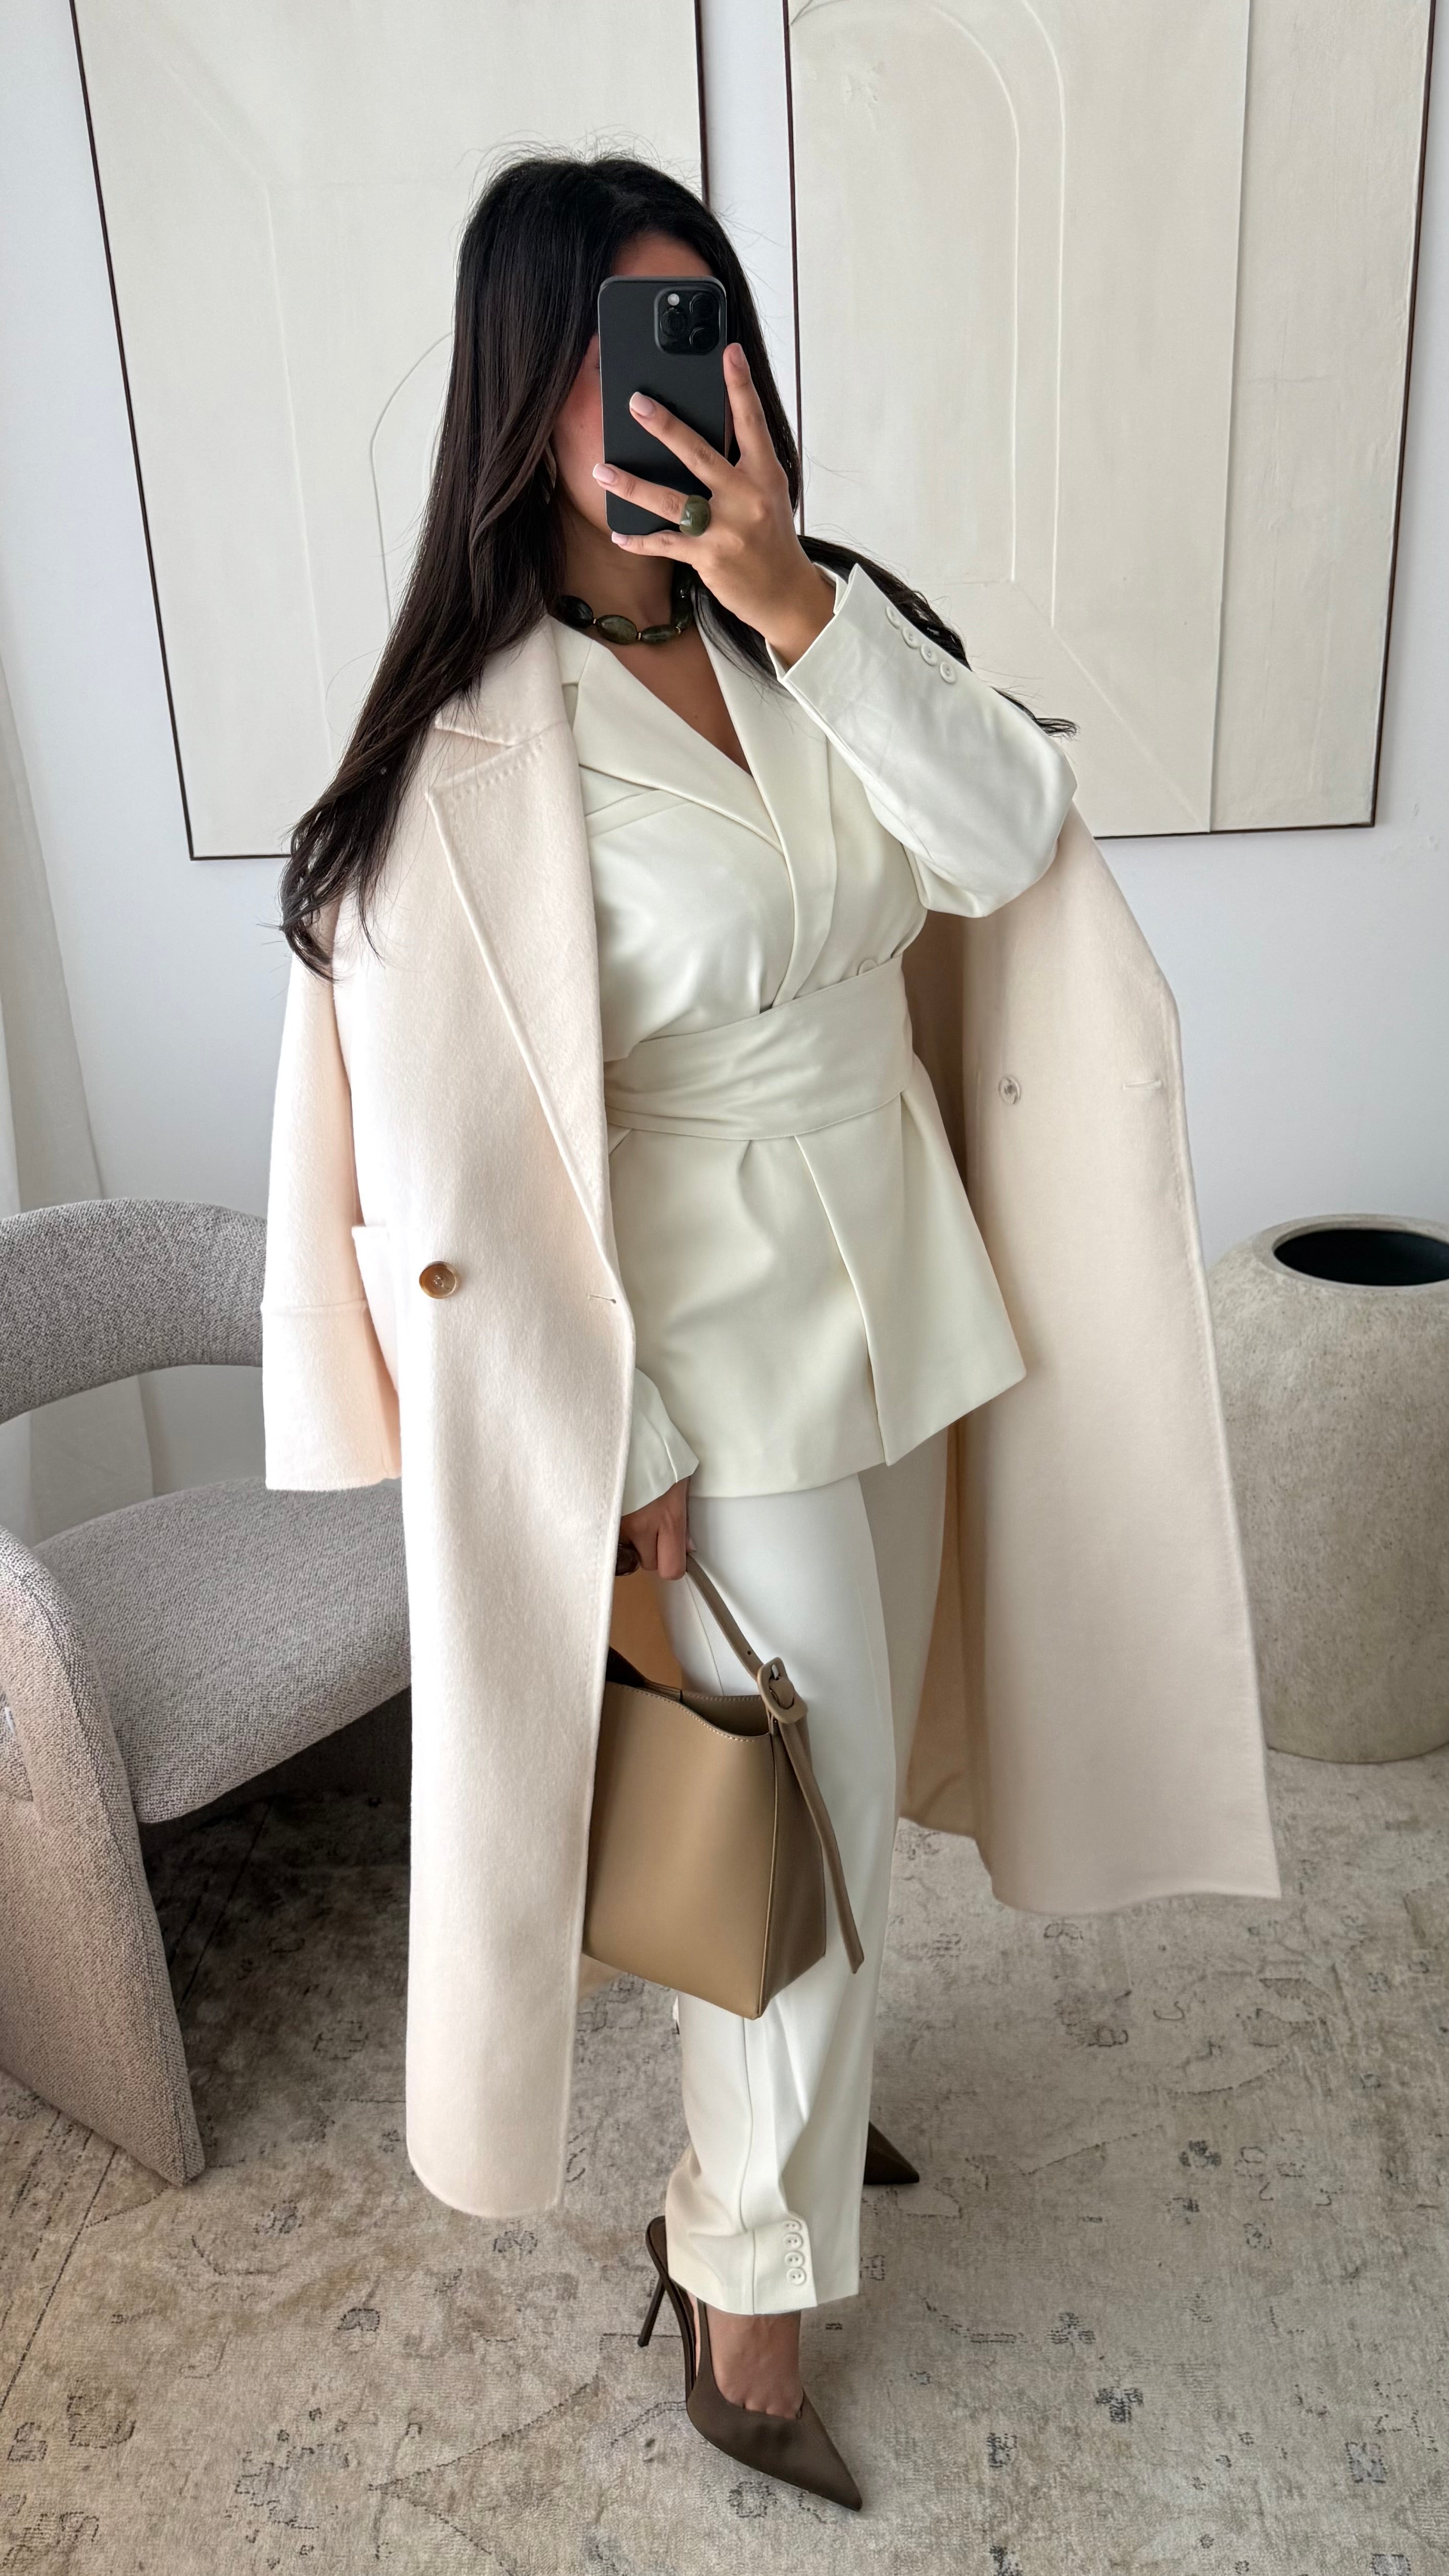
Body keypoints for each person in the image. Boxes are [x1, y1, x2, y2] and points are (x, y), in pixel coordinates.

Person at [262, 153, 1279, 2513]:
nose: (674, 393)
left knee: (844, 1800)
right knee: (779, 1852)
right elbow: (464, 1166)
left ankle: (788, 2136)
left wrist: (795, 599)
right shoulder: (472, 753)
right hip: (706, 1372)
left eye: (702, 333)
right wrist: (608, 1450)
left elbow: (1003, 837)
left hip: (912, 1298)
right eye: (619, 352)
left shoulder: (815, 625)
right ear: (524, 398)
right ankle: (743, 2287)